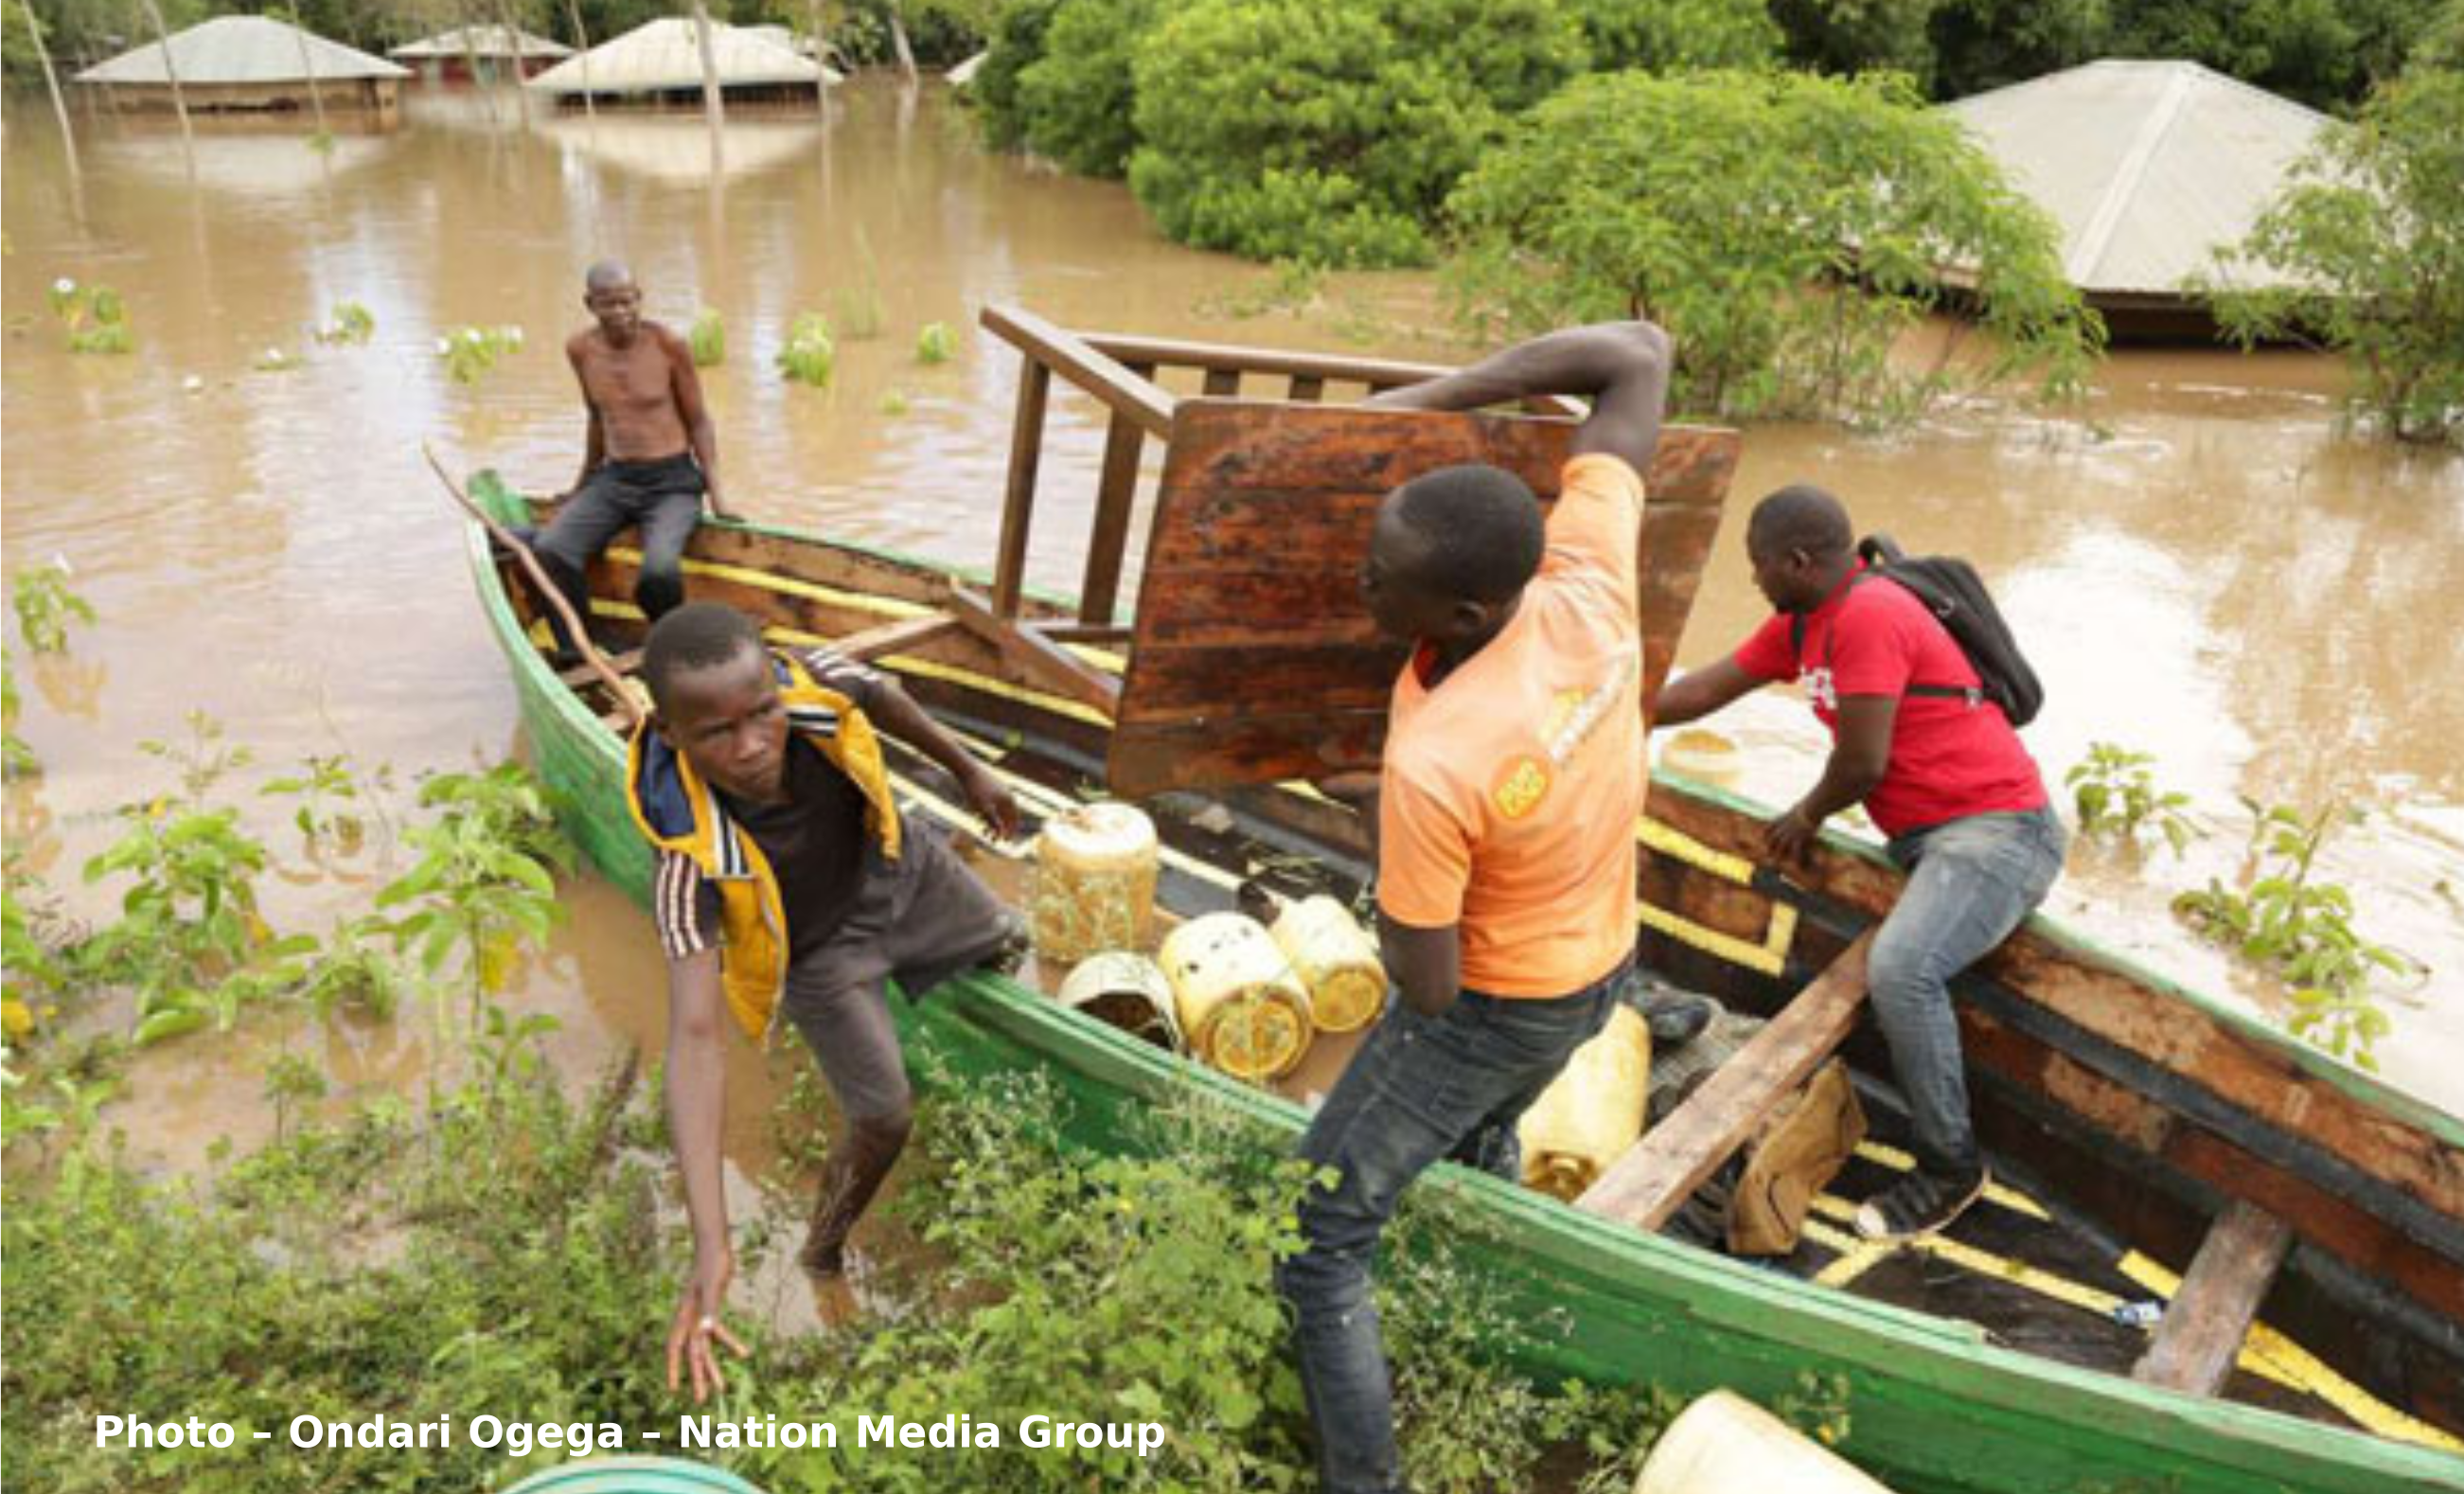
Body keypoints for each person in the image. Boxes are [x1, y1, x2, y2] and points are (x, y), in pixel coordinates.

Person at [1277, 320, 1672, 1494]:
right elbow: (1637, 356)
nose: (1356, 580)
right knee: (1484, 1128)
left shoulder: (1437, 762)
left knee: (1317, 1241)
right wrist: (1423, 403)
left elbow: (1429, 987)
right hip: (1600, 963)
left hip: (1497, 995)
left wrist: (1371, 823)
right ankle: (1478, 1285)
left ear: (1455, 617)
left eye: (1375, 578)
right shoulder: (1584, 577)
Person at [628, 602, 1025, 1404]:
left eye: (761, 716)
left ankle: (963, 981)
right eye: (717, 734)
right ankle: (822, 1251)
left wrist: (969, 769)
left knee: (1008, 940)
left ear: (775, 686)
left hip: (899, 870)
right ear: (673, 737)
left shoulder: (810, 679)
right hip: (819, 958)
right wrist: (711, 1242)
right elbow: (697, 1041)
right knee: (884, 1115)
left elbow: (883, 697)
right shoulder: (684, 863)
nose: (752, 748)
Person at [1651, 484, 2066, 1242]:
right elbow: (1707, 688)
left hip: (1997, 831)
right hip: (1931, 839)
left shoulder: (1869, 614)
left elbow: (1862, 761)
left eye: (1757, 567)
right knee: (1903, 962)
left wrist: (1804, 815)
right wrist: (1610, 709)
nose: (1753, 582)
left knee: (1903, 970)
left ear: (1798, 561)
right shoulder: (1802, 622)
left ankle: (1951, 1167)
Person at [535, 261, 731, 659]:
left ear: (639, 298)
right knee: (551, 548)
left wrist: (719, 495)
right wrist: (581, 485)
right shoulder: (580, 349)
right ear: (591, 304)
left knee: (659, 572)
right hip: (616, 478)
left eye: (628, 302)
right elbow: (596, 417)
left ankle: (670, 645)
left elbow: (699, 421)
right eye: (609, 304)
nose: (621, 313)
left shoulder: (668, 344)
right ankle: (579, 647)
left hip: (672, 481)